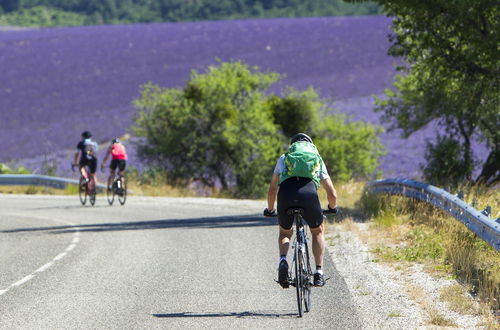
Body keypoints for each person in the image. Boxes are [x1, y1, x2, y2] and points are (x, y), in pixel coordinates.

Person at [264, 133, 337, 288]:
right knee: (317, 231)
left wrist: (270, 210)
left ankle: (283, 260)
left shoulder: (284, 158)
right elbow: (332, 193)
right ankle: (318, 273)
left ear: (293, 146)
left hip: (286, 195)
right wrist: (332, 208)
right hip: (309, 196)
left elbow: (272, 190)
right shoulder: (317, 159)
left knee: (285, 232)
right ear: (310, 146)